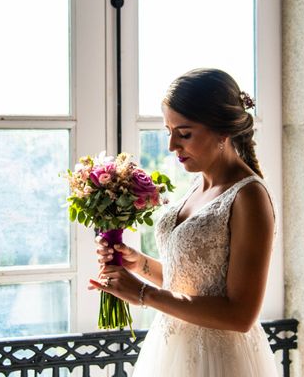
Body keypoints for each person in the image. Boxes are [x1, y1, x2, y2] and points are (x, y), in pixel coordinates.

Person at [89, 68, 278, 376]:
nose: (172, 146)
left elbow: (240, 315)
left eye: (185, 133)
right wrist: (138, 264)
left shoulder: (249, 197)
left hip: (219, 360)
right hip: (172, 349)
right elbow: (194, 282)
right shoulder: (198, 184)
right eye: (169, 131)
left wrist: (142, 294)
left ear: (222, 131)